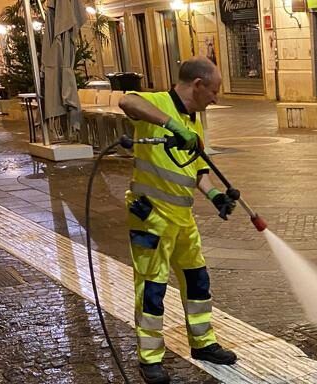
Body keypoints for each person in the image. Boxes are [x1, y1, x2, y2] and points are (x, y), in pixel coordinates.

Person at [118, 57, 238, 384]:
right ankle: (150, 357)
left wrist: (214, 196)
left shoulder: (195, 120)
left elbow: (197, 169)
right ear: (197, 85)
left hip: (182, 218)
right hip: (150, 217)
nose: (216, 99)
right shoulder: (157, 103)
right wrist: (170, 125)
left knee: (197, 280)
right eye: (213, 91)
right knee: (153, 287)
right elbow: (126, 100)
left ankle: (202, 343)